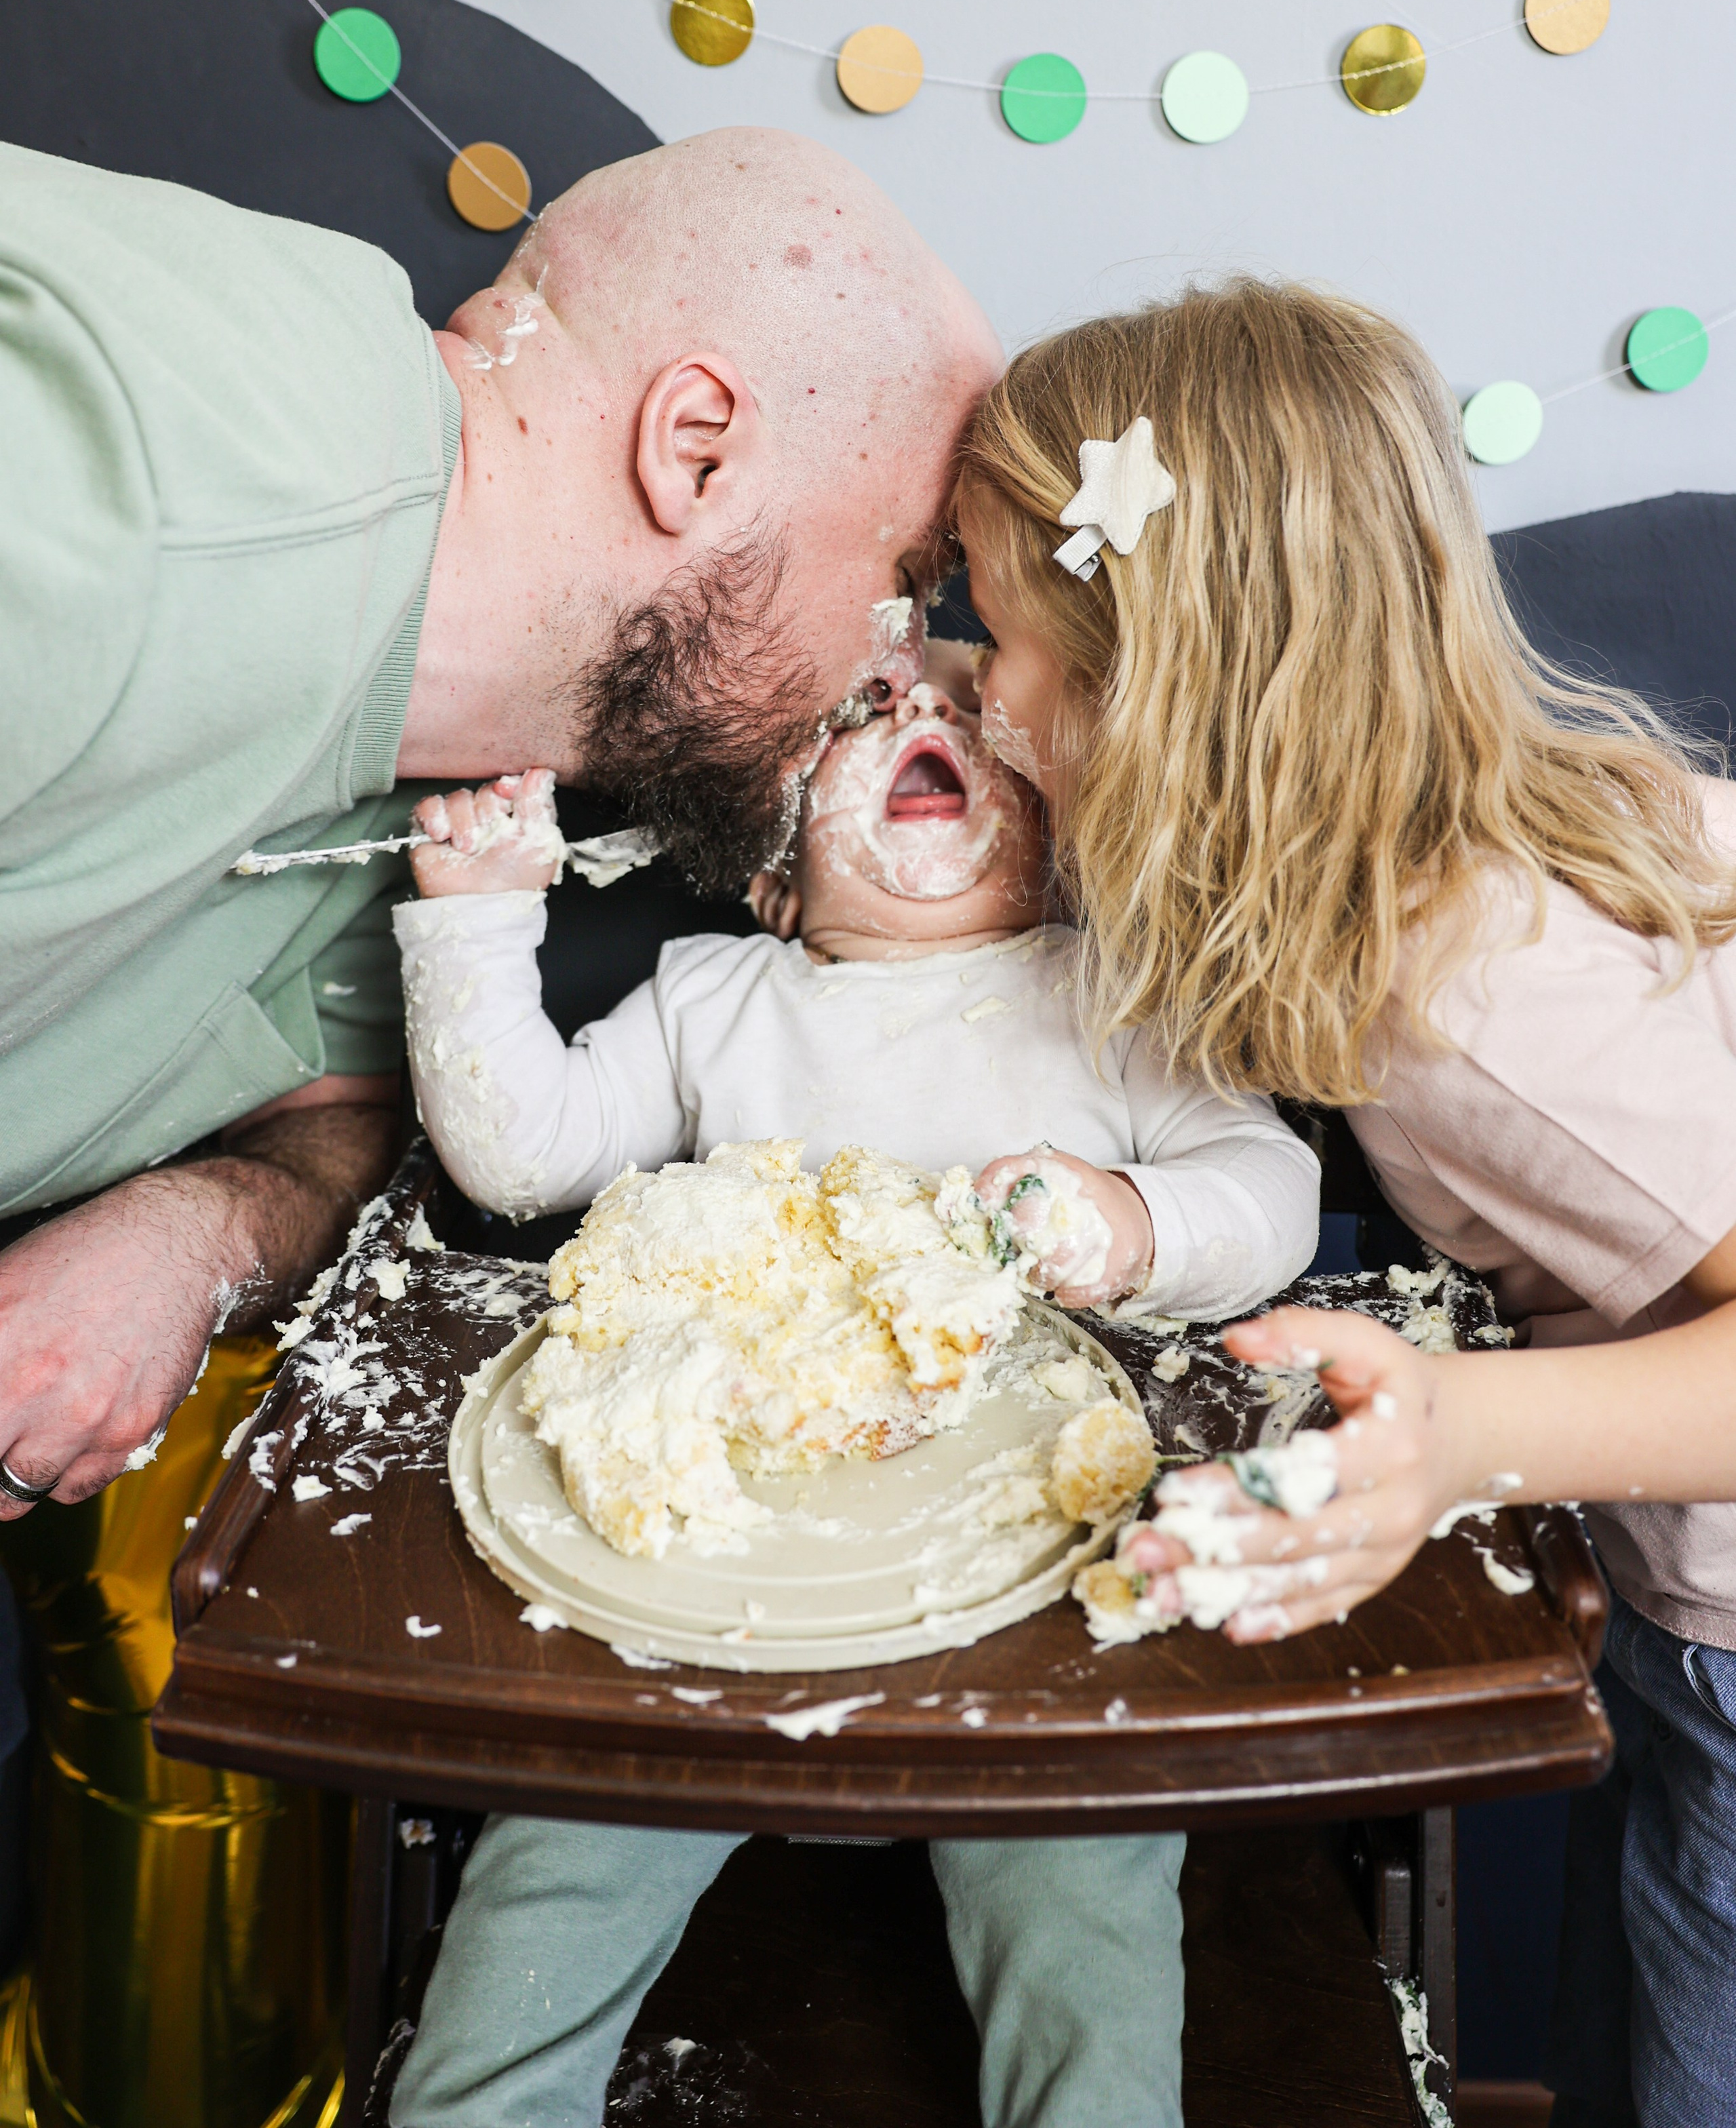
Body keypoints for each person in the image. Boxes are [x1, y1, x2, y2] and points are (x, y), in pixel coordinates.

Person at [0, 125, 1001, 2128]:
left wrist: (184, 1229)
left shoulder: (452, 771)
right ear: (697, 449)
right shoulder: (124, 502)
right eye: (897, 578)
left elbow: (348, 1108)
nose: (900, 671)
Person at [950, 279, 1736, 2128]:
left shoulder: (1468, 1008)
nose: (981, 693)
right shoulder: (1534, 812)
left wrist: (1462, 1433)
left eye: (997, 641)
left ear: (1163, 691)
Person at [382, 675, 1319, 2128]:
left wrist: (1127, 1224)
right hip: (706, 1571)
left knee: (1088, 1893)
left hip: (1024, 1582)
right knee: (558, 1852)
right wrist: (477, 918)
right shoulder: (712, 997)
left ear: (1064, 836)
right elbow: (522, 1158)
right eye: (857, 706)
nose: (908, 700)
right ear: (771, 874)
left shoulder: (1107, 998)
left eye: (952, 693)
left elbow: (1273, 1195)